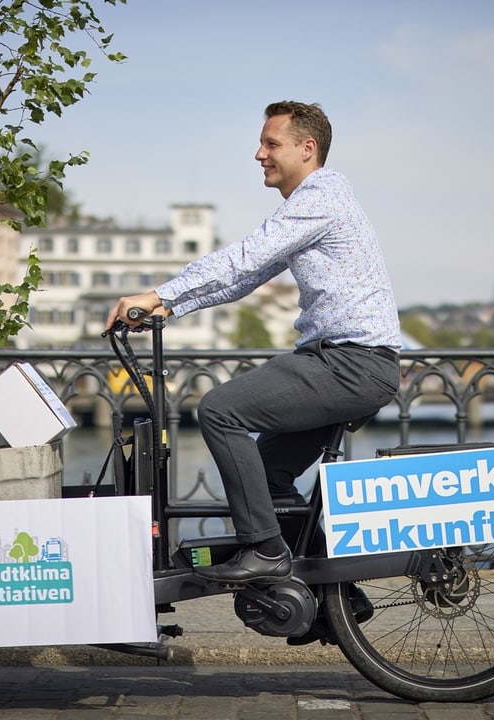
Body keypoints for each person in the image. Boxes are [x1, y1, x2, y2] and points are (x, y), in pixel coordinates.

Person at [105, 100, 401, 586]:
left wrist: (159, 291)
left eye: (271, 143)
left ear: (308, 149)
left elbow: (245, 256)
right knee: (266, 473)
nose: (258, 154)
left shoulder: (320, 198)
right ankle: (331, 599)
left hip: (350, 363)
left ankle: (264, 550)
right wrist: (170, 307)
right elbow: (250, 277)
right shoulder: (314, 205)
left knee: (221, 410)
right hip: (349, 363)